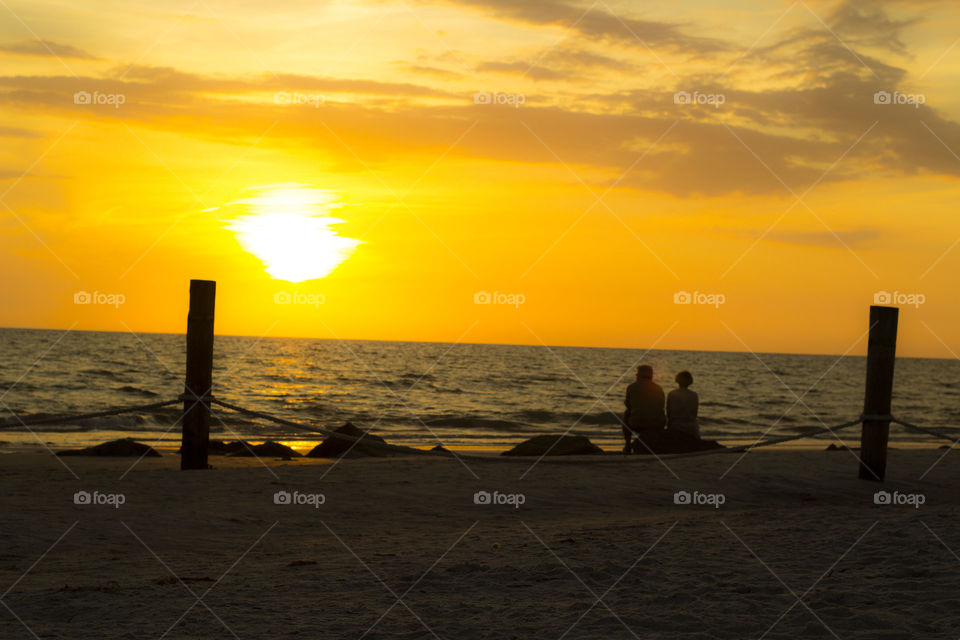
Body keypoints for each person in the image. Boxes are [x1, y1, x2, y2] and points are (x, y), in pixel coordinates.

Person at [623, 364, 665, 454]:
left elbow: (628, 405)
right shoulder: (658, 388)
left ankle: (627, 445)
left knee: (626, 413)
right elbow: (662, 405)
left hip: (637, 423)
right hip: (656, 424)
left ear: (639, 375)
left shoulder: (631, 387)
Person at [666, 370, 700, 439]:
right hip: (691, 427)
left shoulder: (672, 394)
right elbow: (695, 413)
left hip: (676, 426)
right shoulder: (694, 395)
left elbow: (668, 412)